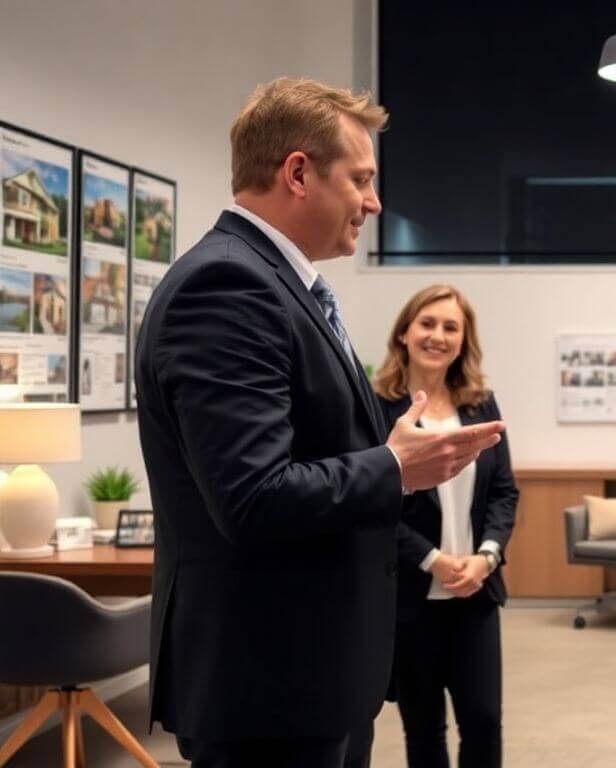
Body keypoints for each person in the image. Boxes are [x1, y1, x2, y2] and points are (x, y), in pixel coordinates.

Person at [134, 77, 505, 768]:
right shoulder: (228, 287)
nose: (374, 201)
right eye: (360, 179)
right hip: (265, 680)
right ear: (298, 172)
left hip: (300, 673)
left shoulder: (275, 283)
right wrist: (396, 466)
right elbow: (252, 496)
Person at [373, 285, 518, 768]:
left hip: (476, 593)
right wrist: (433, 560)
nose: (438, 335)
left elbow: (503, 492)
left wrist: (487, 556)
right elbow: (374, 503)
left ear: (463, 340)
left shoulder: (481, 405)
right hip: (412, 598)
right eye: (427, 324)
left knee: (483, 722)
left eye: (450, 327)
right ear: (404, 332)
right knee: (424, 730)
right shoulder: (377, 408)